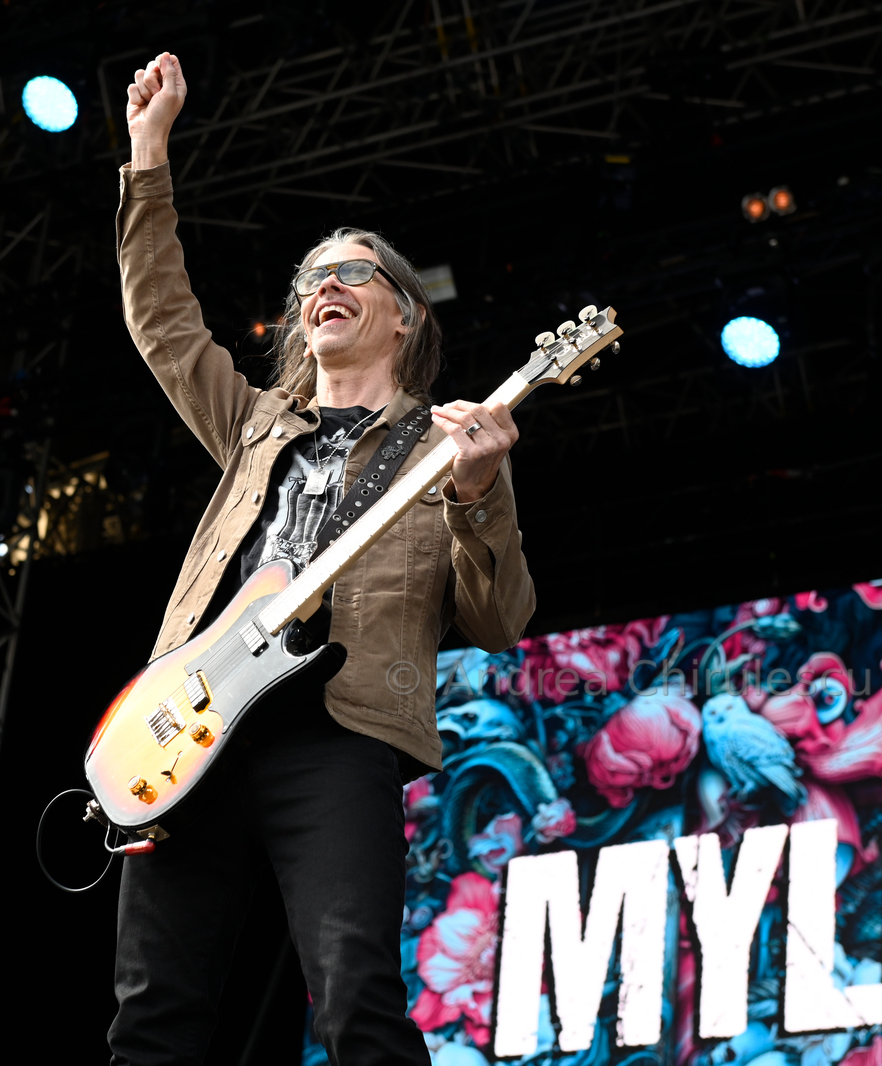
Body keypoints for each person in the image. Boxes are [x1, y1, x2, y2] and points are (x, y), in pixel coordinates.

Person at [110, 52, 536, 1066]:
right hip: (192, 729)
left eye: (350, 272)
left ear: (403, 312)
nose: (323, 287)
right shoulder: (258, 421)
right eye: (310, 278)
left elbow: (500, 619)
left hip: (337, 735)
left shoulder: (450, 446)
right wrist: (148, 154)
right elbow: (162, 323)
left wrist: (476, 494)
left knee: (356, 1004)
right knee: (152, 1020)